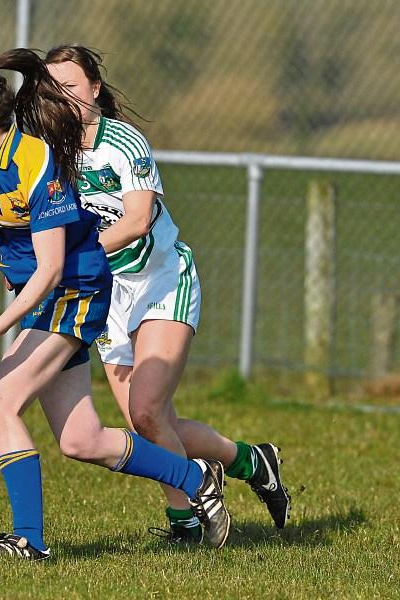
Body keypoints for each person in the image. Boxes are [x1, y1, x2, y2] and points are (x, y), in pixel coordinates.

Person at [0, 48, 229, 561]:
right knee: (81, 439)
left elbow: (53, 266)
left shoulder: (33, 160)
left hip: (75, 290)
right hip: (41, 295)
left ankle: (29, 541)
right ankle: (196, 476)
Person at [44, 45, 291, 543]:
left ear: (95, 88)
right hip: (108, 297)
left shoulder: (125, 144)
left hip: (161, 283)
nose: (64, 98)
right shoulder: (48, 151)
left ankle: (188, 525)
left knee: (148, 410)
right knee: (152, 426)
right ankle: (250, 460)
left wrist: (72, 257)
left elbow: (136, 221)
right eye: (54, 90)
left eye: (72, 86)